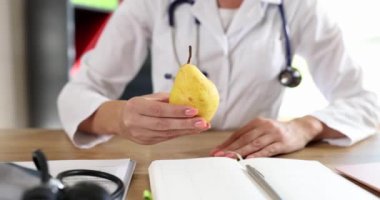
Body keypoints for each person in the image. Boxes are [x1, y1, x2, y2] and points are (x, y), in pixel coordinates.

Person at [58, 0, 379, 158]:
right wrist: (119, 118)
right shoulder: (150, 2)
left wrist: (305, 127)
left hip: (255, 163)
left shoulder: (299, 6)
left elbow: (368, 102)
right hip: (169, 162)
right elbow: (78, 94)